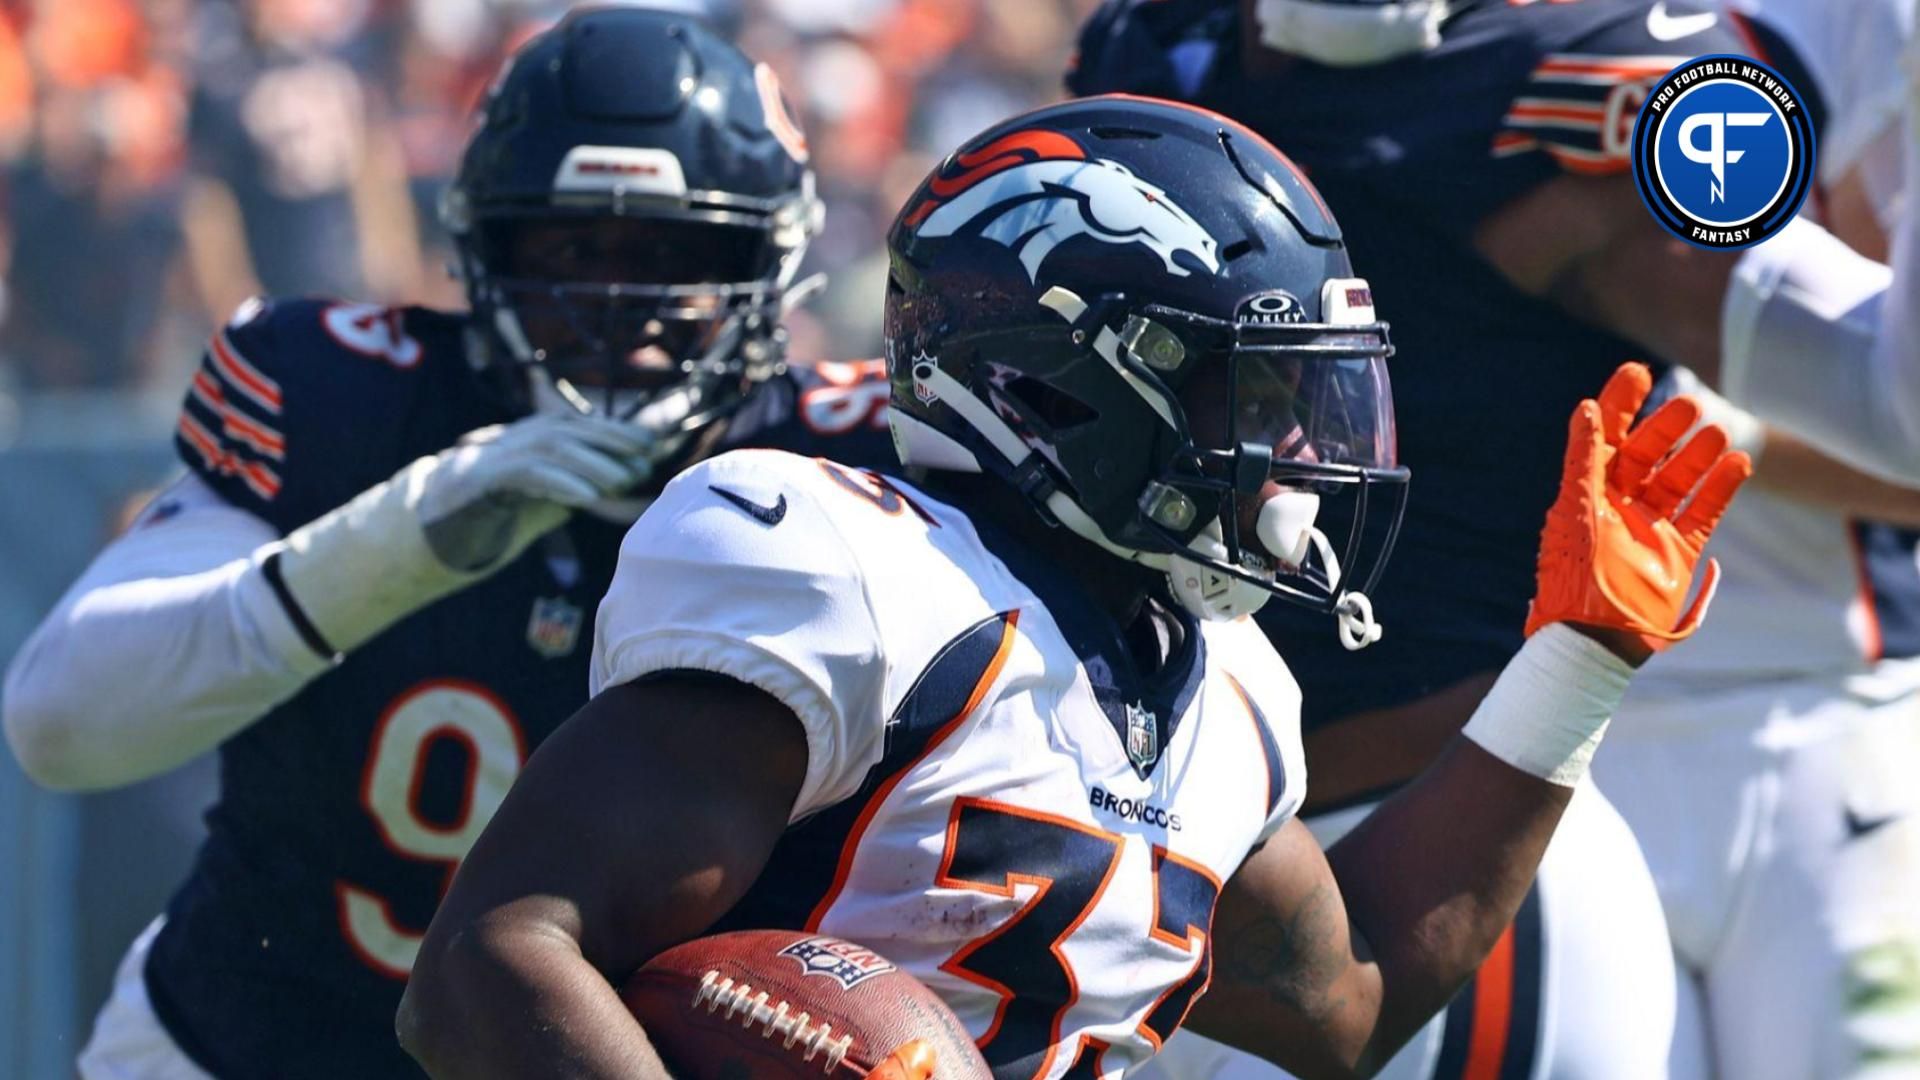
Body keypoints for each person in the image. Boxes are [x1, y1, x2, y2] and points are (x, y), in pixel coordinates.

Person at [393, 94, 1749, 1080]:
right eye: (1250, 389)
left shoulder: (1219, 696)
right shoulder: (855, 574)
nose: (1295, 450)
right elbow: (492, 965)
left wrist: (1581, 658)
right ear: (1052, 380)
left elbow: (1354, 998)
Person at [0, 8, 893, 1078]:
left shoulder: (855, 461)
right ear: (482, 248)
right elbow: (60, 727)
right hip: (250, 1043)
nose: (623, 311)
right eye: (569, 251)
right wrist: (396, 543)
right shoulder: (351, 406)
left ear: (775, 261)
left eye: (678, 254)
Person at [1068, 1, 1920, 1076]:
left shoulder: (1571, 93)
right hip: (1183, 842)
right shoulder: (1149, 49)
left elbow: (1898, 407)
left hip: (1458, 843)